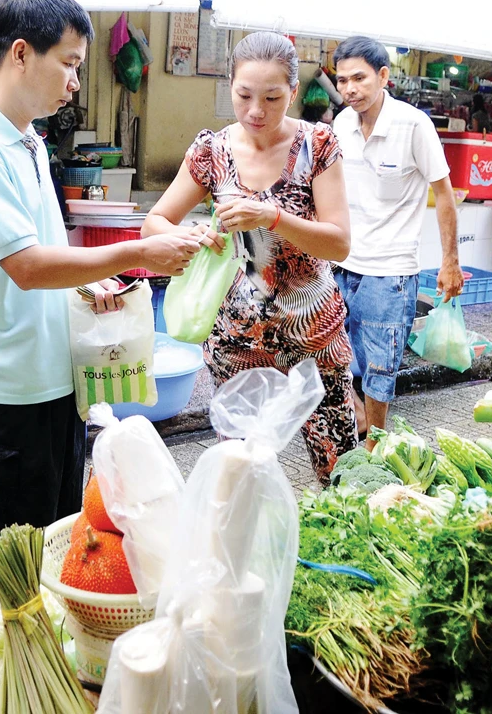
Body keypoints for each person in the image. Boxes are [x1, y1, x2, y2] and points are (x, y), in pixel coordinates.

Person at [0, 0, 200, 587]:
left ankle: (23, 661)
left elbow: (42, 259)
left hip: (50, 382)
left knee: (48, 543)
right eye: (70, 64)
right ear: (21, 54)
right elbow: (25, 267)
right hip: (0, 389)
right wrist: (135, 252)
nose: (76, 81)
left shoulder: (26, 141)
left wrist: (84, 291)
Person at [141, 31, 356, 483]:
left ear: (293, 93)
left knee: (340, 467)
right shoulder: (211, 151)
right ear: (231, 86)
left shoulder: (318, 146)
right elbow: (154, 223)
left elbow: (338, 242)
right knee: (239, 472)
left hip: (313, 333)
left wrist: (272, 216)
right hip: (237, 339)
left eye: (273, 98)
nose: (256, 111)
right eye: (244, 95)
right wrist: (191, 234)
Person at [331, 36, 463, 450]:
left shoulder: (413, 125)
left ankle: (377, 447)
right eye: (342, 81)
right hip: (343, 261)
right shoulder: (340, 124)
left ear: (383, 76)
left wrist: (450, 261)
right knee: (332, 354)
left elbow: (444, 194)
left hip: (390, 270)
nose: (350, 89)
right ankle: (360, 419)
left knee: (380, 364)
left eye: (359, 78)